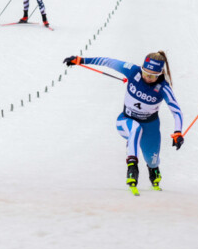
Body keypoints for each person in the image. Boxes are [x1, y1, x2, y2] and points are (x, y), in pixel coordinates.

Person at [62, 52, 184, 194]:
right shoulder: (132, 70)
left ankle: (153, 170)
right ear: (142, 68)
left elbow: (176, 111)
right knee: (135, 129)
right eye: (145, 73)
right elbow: (107, 61)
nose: (148, 78)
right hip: (125, 120)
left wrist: (178, 132)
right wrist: (81, 60)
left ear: (160, 74)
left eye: (153, 76)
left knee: (152, 159)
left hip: (151, 125)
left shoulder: (164, 88)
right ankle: (132, 167)